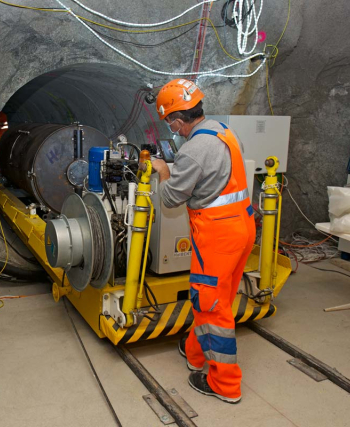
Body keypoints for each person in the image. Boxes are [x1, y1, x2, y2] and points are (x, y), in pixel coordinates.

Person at [151, 79, 255, 404]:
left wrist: (163, 172)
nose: (172, 128)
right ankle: (195, 352)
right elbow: (210, 175)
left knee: (211, 307)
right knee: (214, 296)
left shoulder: (193, 150)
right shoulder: (221, 130)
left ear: (178, 120)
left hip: (217, 236)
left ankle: (225, 384)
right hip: (243, 227)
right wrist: (177, 168)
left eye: (170, 121)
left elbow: (170, 199)